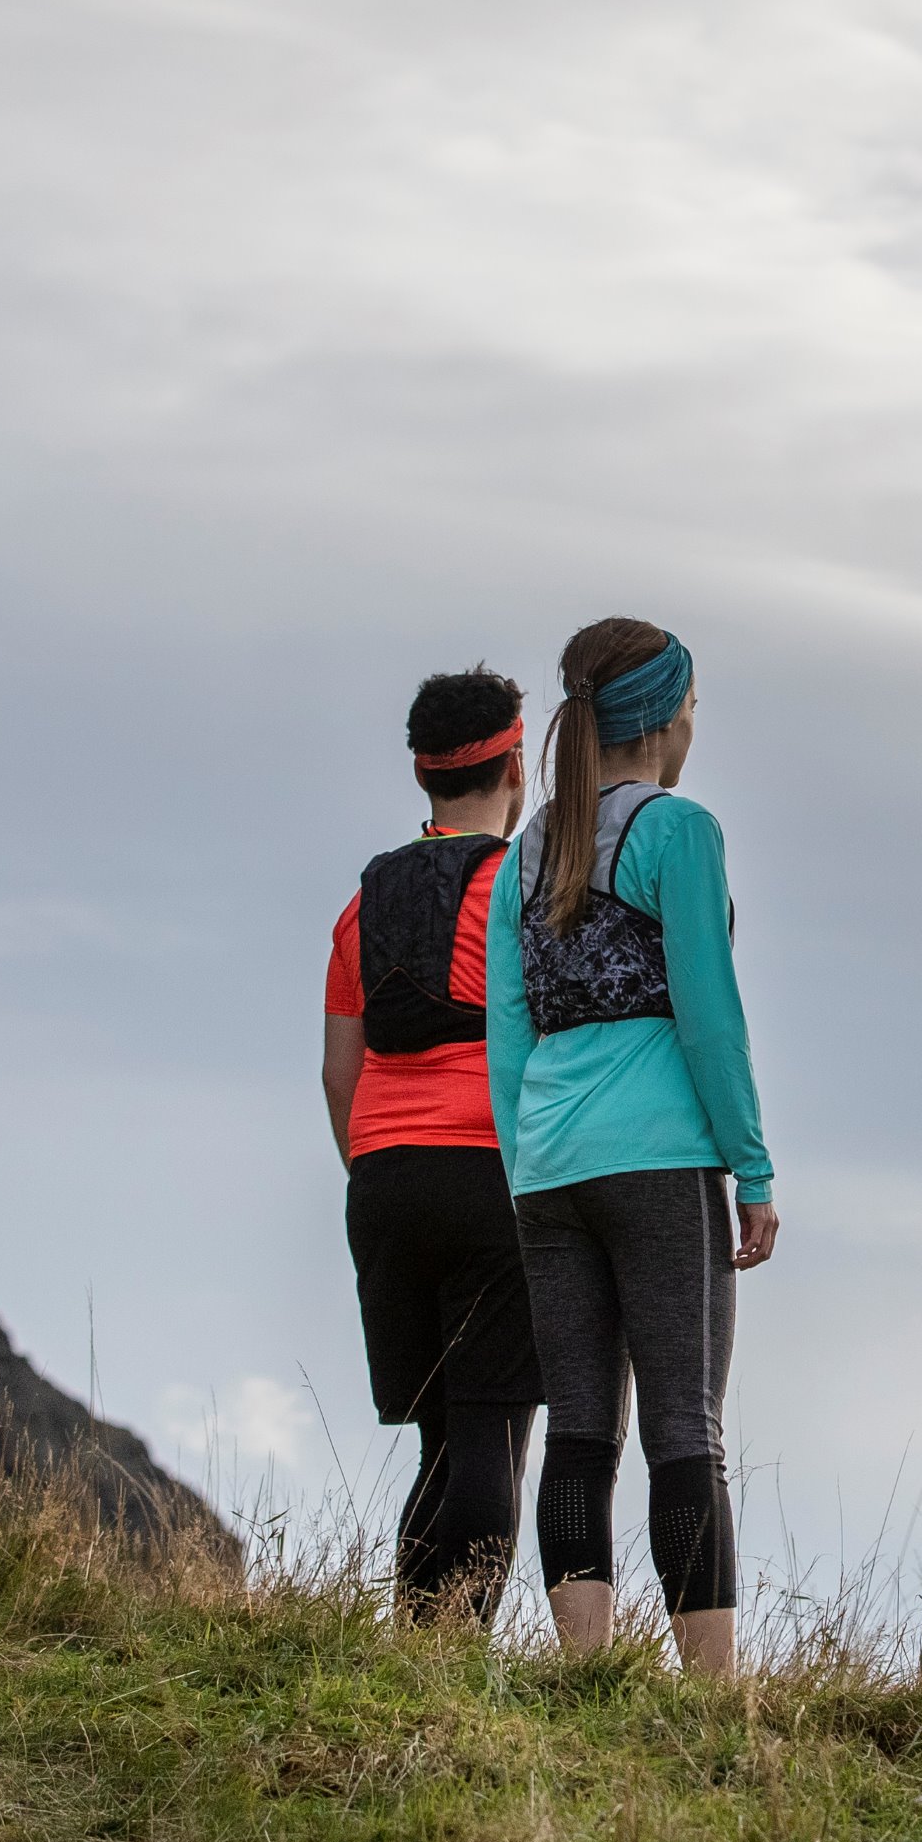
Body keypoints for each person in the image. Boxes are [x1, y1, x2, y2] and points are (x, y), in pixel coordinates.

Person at [484, 617, 778, 1677]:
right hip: (660, 1164)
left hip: (551, 1169)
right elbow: (709, 1015)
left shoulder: (527, 854)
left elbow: (506, 1036)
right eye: (693, 707)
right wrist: (752, 1166)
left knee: (579, 1428)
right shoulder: (679, 833)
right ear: (663, 717)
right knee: (685, 1428)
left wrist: (526, 1178)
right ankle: (709, 1692)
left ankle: (587, 1672)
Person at [320, 665, 544, 1621]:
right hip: (489, 1173)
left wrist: (379, 1168)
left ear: (425, 777)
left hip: (382, 1179)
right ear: (517, 766)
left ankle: (414, 1650)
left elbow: (341, 1072)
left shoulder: (362, 905)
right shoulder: (525, 892)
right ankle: (450, 1660)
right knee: (491, 1435)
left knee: (441, 1439)